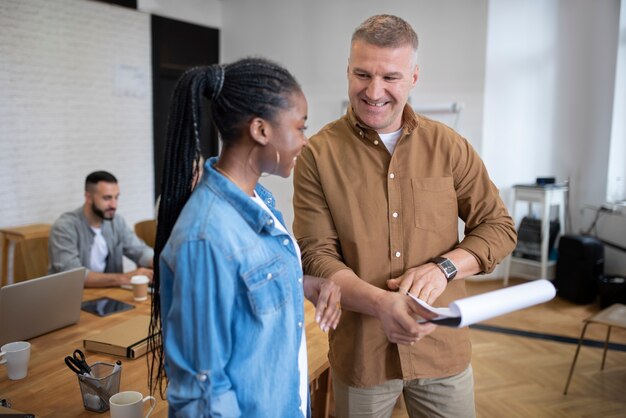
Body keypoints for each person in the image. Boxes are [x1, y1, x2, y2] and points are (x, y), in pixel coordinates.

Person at [293, 14, 517, 418]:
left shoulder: (450, 147)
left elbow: (498, 227)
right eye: (362, 74)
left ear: (414, 77)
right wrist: (382, 304)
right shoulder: (316, 155)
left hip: (442, 351)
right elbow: (316, 255)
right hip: (363, 356)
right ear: (347, 71)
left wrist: (444, 268)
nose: (374, 91)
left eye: (390, 77)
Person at [148, 58, 342, 417]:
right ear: (261, 130)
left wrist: (305, 283)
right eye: (300, 128)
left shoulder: (260, 202)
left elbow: (248, 292)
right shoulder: (205, 239)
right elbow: (203, 394)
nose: (305, 140)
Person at [48, 171, 154, 287]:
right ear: (88, 197)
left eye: (116, 197)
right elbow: (74, 276)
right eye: (107, 198)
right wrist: (125, 278)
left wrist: (160, 261)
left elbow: (140, 251)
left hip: (109, 296)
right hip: (71, 297)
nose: (114, 205)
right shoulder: (64, 227)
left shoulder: (117, 222)